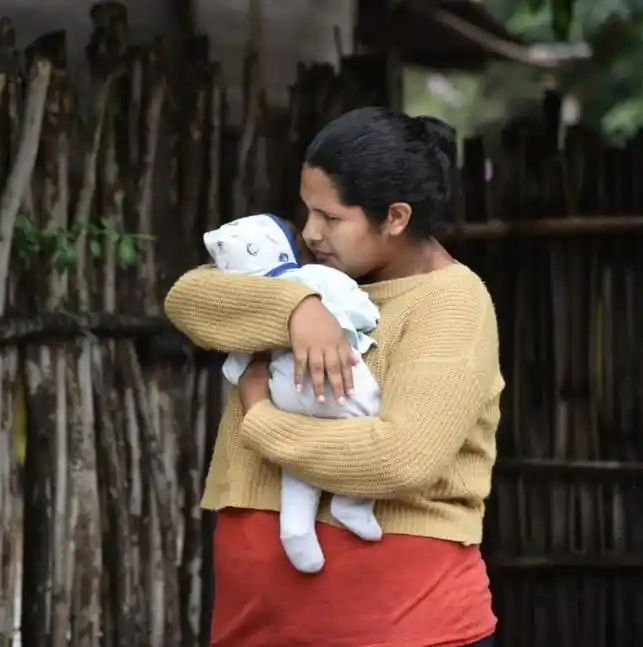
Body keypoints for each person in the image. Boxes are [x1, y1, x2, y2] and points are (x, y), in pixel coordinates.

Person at [164, 106, 503, 647]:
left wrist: (261, 421)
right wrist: (297, 307)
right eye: (307, 211)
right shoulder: (308, 274)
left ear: (395, 217)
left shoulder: (452, 304)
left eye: (331, 217)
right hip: (258, 624)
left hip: (403, 628)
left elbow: (400, 458)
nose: (310, 231)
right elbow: (189, 299)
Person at [204, 213, 384, 574]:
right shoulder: (315, 280)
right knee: (367, 412)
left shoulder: (251, 303)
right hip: (330, 380)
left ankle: (296, 529)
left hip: (278, 386)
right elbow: (360, 309)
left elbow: (240, 359)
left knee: (295, 456)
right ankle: (352, 500)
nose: (312, 231)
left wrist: (250, 386)